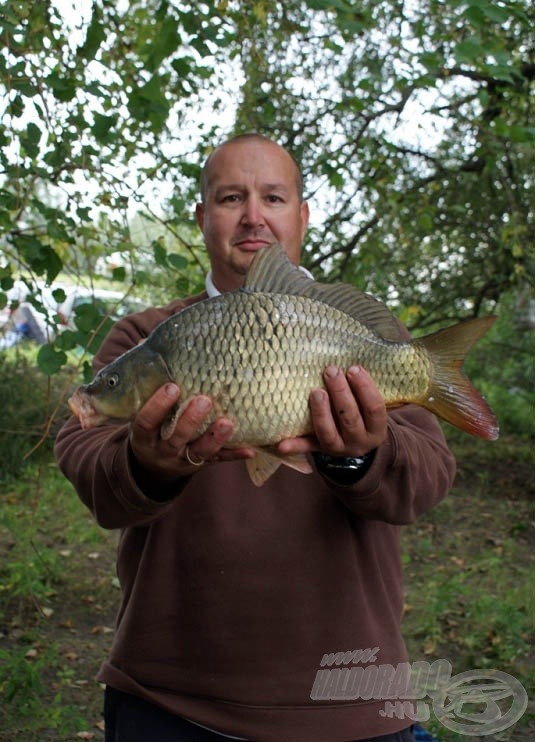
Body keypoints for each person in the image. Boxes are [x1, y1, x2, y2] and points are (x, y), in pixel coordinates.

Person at [55, 133, 456, 742]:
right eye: (230, 197)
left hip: (349, 701)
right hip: (166, 699)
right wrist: (149, 462)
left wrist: (359, 457)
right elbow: (83, 455)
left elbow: (427, 478)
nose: (252, 216)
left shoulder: (357, 335)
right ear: (201, 215)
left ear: (301, 214)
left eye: (273, 197)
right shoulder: (146, 336)